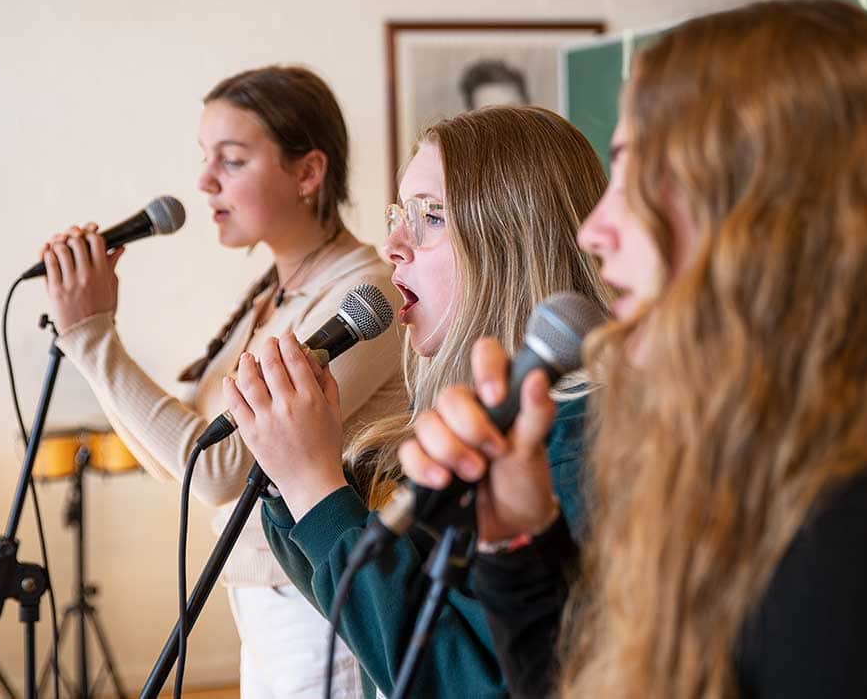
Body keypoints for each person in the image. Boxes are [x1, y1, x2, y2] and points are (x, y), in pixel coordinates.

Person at [402, 0, 867, 698]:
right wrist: (519, 539)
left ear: (778, 209)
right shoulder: (762, 464)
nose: (595, 230)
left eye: (641, 176)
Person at [220, 105, 613, 697]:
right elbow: (357, 605)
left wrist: (315, 488)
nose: (394, 243)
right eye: (399, 214)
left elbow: (462, 682)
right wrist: (289, 474)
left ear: (512, 243)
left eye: (431, 217)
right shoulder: (471, 426)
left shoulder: (574, 446)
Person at [37, 65, 405, 697]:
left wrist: (93, 338)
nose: (204, 181)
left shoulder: (360, 296)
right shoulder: (274, 292)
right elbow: (184, 466)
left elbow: (218, 469)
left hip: (317, 606)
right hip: (267, 602)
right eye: (205, 158)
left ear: (308, 173)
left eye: (231, 161)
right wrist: (86, 336)